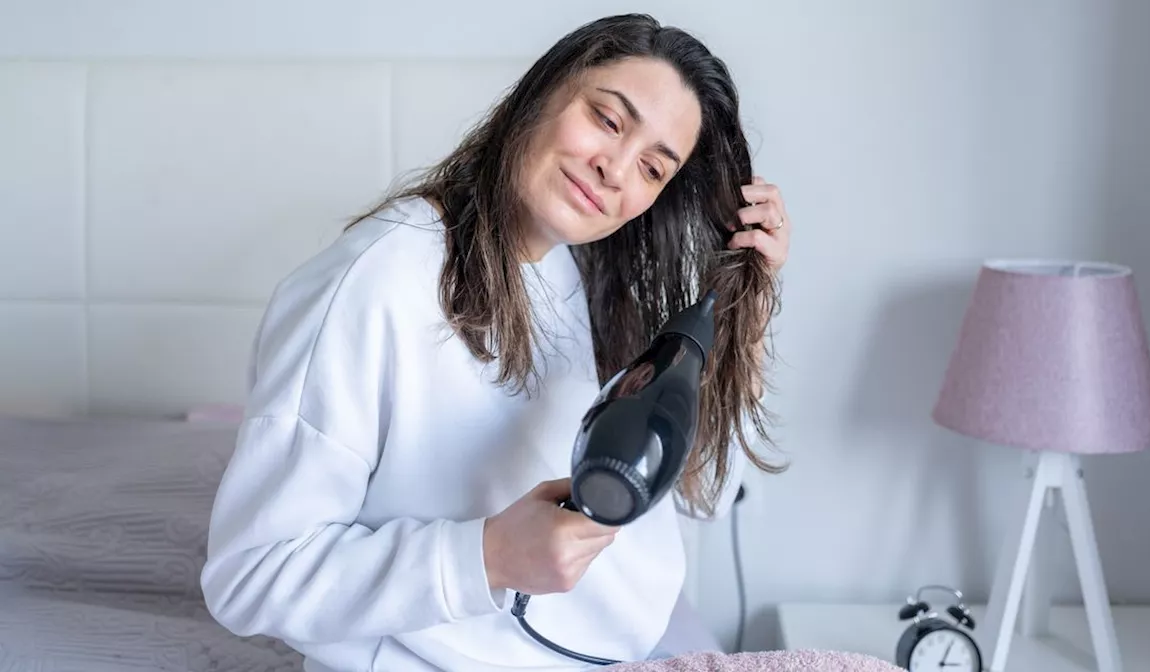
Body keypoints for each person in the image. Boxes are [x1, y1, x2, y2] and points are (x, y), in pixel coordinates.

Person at [199, 12, 791, 672]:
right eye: (607, 120)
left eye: (653, 169)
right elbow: (250, 577)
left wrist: (747, 310)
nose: (615, 169)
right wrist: (486, 557)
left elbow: (694, 496)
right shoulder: (378, 282)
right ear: (543, 92)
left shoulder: (590, 274)